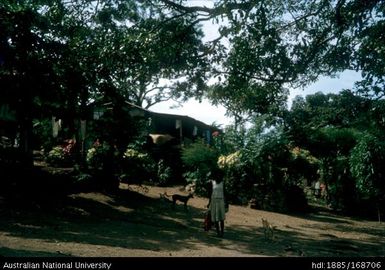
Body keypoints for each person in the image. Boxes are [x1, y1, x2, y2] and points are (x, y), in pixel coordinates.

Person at [207, 170, 226, 237]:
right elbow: (210, 194)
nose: (218, 177)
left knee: (222, 218)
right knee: (216, 218)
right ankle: (218, 233)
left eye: (219, 175)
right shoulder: (212, 183)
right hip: (214, 201)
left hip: (221, 201)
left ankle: (222, 232)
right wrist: (209, 203)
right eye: (216, 175)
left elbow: (225, 193)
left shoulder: (223, 183)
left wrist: (226, 203)